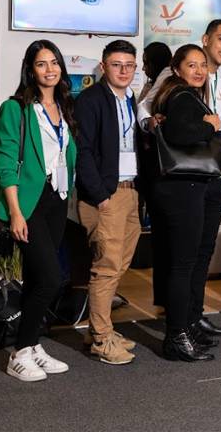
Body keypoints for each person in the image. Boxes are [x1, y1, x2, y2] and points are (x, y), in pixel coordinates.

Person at [0, 40, 77, 382]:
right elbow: (5, 164)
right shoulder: (16, 108)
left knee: (36, 278)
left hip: (56, 200)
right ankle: (19, 352)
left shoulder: (65, 106)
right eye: (41, 64)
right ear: (31, 70)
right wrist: (15, 212)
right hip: (28, 203)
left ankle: (31, 346)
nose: (50, 69)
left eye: (54, 62)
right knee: (50, 278)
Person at [151, 44, 221, 361]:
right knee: (183, 264)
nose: (198, 71)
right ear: (176, 69)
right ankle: (176, 336)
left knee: (194, 259)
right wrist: (211, 125)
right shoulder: (181, 95)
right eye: (191, 65)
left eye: (202, 65)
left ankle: (188, 323)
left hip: (195, 186)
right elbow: (179, 133)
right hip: (183, 188)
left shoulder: (188, 94)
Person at [75, 40, 142, 365]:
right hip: (107, 195)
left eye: (129, 65)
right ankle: (102, 339)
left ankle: (99, 329)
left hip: (131, 191)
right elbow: (83, 151)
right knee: (107, 267)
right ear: (104, 67)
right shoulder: (90, 100)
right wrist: (100, 195)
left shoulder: (131, 98)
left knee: (120, 263)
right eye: (117, 65)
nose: (123, 70)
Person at [137, 42, 172, 308]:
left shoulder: (167, 84)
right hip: (153, 173)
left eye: (146, 61)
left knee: (166, 240)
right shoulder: (151, 87)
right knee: (163, 239)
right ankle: (164, 298)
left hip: (164, 172)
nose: (143, 66)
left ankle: (167, 298)